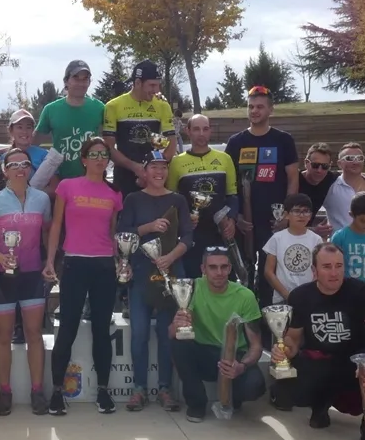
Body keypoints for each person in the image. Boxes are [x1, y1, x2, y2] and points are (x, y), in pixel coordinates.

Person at [274, 244, 365, 440]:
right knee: (292, 385)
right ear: (314, 270)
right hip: (324, 362)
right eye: (327, 266)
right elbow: (293, 339)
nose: (334, 273)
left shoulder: (361, 292)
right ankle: (320, 404)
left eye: (339, 266)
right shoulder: (300, 296)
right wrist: (283, 350)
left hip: (357, 362)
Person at [43, 137, 123, 415]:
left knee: (102, 330)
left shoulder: (114, 193)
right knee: (68, 328)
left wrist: (120, 262)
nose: (100, 159)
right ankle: (56, 391)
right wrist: (50, 260)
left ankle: (103, 390)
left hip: (104, 266)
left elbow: (113, 233)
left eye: (104, 155)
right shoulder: (67, 186)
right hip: (74, 263)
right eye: (95, 154)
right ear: (84, 160)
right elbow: (56, 226)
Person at [0, 148, 53, 416]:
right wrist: (1, 257)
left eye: (25, 164)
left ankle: (37, 391)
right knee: (3, 336)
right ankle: (5, 391)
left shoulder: (42, 199)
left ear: (31, 168)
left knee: (34, 333)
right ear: (4, 170)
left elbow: (47, 233)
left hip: (32, 274)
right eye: (14, 165)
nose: (20, 169)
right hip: (2, 276)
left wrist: (49, 262)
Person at [118, 149, 192, 412]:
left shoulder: (178, 200)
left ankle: (164, 388)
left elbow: (188, 236)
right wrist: (148, 227)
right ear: (145, 171)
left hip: (170, 273)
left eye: (163, 167)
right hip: (140, 274)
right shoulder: (133, 199)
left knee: (165, 333)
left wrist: (171, 257)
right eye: (154, 167)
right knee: (139, 333)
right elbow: (123, 233)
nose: (159, 172)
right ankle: (138, 388)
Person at [169, 247, 268, 422]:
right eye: (213, 267)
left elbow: (256, 346)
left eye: (224, 267)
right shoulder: (192, 288)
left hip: (234, 356)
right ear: (203, 269)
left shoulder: (245, 296)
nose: (219, 272)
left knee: (255, 386)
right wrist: (177, 325)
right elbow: (171, 333)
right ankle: (196, 404)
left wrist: (242, 366)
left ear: (230, 268)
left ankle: (234, 398)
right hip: (204, 354)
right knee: (178, 343)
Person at [224, 85, 299, 307]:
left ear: (270, 110)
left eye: (259, 107)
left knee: (270, 276)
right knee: (242, 276)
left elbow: (293, 178)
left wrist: (287, 214)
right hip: (243, 222)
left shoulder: (283, 140)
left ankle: (268, 319)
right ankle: (244, 318)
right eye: (250, 107)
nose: (254, 111)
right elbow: (228, 183)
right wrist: (235, 215)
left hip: (273, 222)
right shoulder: (235, 142)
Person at [165, 114, 238, 278]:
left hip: (219, 231)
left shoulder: (225, 159)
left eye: (205, 129)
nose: (201, 133)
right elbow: (171, 199)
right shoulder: (176, 162)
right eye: (196, 129)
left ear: (210, 131)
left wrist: (232, 220)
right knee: (194, 279)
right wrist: (183, 219)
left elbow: (232, 195)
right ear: (188, 131)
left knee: (222, 279)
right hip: (192, 232)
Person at [3, 108, 48, 344]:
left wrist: (34, 192)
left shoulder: (44, 155)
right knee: (12, 273)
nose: (24, 131)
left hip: (36, 224)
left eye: (29, 127)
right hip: (9, 225)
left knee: (35, 272)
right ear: (11, 130)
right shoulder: (1, 158)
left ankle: (37, 321)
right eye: (19, 126)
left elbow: (55, 187)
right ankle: (18, 326)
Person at [103, 59, 177, 199]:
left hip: (153, 178)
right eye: (152, 85)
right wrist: (136, 168)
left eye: (158, 85)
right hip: (124, 175)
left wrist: (154, 170)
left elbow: (172, 144)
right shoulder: (113, 106)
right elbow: (109, 148)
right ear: (137, 83)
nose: (156, 90)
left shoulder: (162, 105)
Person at [35, 60, 104, 185]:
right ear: (66, 81)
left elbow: (109, 141)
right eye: (76, 78)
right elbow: (34, 142)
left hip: (91, 181)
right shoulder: (51, 110)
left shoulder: (99, 108)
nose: (81, 83)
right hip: (60, 182)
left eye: (85, 79)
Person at [263, 193, 323, 303]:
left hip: (309, 298)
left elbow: (319, 270)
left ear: (310, 215)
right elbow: (268, 271)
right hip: (282, 298)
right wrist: (287, 295)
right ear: (286, 215)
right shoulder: (277, 238)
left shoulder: (317, 240)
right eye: (296, 211)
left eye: (306, 211)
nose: (301, 215)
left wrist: (309, 293)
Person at [322, 142, 365, 233]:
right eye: (349, 158)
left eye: (360, 158)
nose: (355, 162)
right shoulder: (330, 187)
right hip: (339, 241)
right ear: (339, 164)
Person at [297, 143, 337, 237]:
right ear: (306, 163)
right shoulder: (295, 181)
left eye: (324, 166)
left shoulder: (330, 178)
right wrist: (313, 230)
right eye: (315, 165)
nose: (319, 170)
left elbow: (350, 175)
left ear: (330, 166)